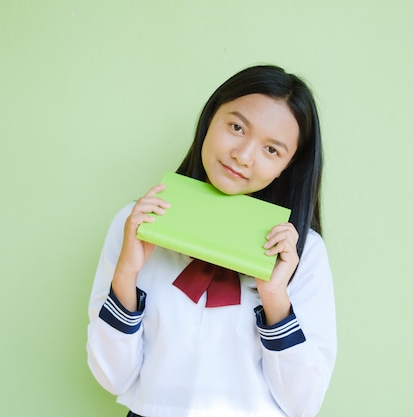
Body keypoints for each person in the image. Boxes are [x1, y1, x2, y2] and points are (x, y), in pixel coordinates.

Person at [87, 65, 337, 417]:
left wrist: (274, 297)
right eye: (236, 127)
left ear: (289, 165)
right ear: (210, 118)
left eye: (271, 150)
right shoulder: (138, 221)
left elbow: (303, 403)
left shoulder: (301, 252)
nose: (243, 155)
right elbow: (112, 378)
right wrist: (126, 274)